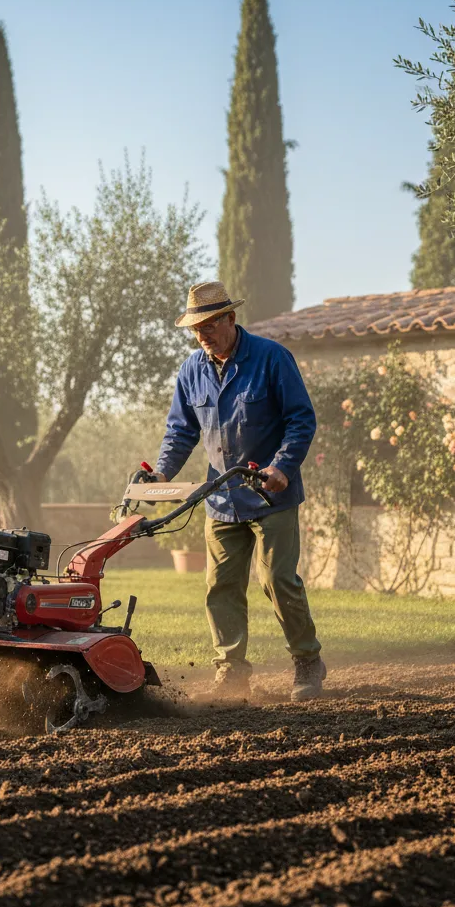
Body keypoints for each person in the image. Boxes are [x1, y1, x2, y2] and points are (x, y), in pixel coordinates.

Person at [150, 280, 325, 702]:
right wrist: (160, 475)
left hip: (271, 496)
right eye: (196, 329)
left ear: (231, 318)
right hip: (222, 499)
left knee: (277, 580)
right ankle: (231, 672)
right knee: (221, 586)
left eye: (209, 324)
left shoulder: (271, 359)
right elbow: (180, 432)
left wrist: (283, 466)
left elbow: (301, 420)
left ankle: (306, 660)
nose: (203, 335)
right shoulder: (192, 369)